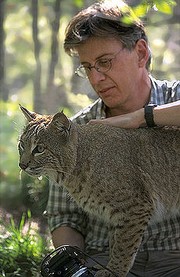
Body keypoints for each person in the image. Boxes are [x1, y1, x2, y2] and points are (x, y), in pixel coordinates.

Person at [45, 1, 180, 276]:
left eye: (105, 62)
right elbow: (63, 218)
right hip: (103, 261)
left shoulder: (174, 99)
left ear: (140, 53)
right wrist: (78, 269)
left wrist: (143, 118)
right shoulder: (76, 129)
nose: (96, 78)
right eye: (87, 67)